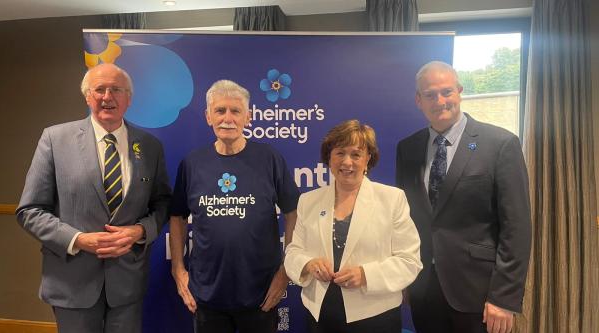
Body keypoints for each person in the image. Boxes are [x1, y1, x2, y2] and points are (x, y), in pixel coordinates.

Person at [16, 63, 172, 333]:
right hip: (72, 282)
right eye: (99, 89)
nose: (107, 97)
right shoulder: (55, 139)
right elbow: (30, 210)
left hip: (127, 283)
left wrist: (139, 231)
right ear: (87, 96)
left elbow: (162, 203)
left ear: (129, 98)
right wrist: (78, 239)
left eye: (116, 89)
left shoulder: (149, 146)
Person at [395, 61, 532, 333]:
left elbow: (516, 228)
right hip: (423, 289)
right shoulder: (407, 148)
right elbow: (405, 220)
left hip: (479, 294)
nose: (440, 101)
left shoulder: (500, 144)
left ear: (459, 91)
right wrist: (405, 281)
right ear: (418, 100)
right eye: (430, 95)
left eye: (446, 92)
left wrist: (504, 298)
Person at [169, 79, 299, 333]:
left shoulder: (269, 159)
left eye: (235, 111)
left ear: (247, 118)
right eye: (220, 111)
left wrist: (285, 272)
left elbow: (293, 213)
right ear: (208, 117)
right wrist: (178, 269)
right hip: (206, 294)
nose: (227, 118)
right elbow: (177, 217)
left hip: (261, 293)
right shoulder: (192, 163)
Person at [284, 119, 422, 333]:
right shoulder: (308, 201)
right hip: (320, 315)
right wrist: (308, 264)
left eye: (356, 154)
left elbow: (409, 261)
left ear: (368, 160)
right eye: (340, 153)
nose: (347, 162)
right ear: (329, 158)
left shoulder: (392, 199)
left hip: (375, 317)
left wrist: (365, 274)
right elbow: (293, 251)